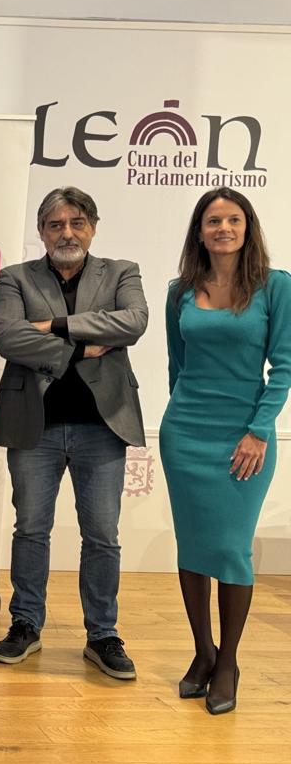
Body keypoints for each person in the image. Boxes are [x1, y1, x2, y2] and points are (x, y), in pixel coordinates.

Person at [0, 186, 148, 679]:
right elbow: (6, 335)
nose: (67, 232)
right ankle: (25, 624)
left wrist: (54, 325)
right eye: (56, 224)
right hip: (33, 425)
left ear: (93, 227)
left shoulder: (122, 271)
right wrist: (81, 346)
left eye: (77, 222)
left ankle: (102, 634)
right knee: (31, 530)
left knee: (102, 535)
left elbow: (134, 321)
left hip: (102, 426)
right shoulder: (15, 277)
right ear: (41, 231)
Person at [160, 188, 291, 715]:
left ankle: (229, 661)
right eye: (213, 220)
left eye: (233, 219)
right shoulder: (180, 291)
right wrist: (177, 422)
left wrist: (259, 430)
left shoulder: (274, 287)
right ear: (200, 230)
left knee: (231, 548)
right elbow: (176, 366)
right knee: (192, 547)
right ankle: (201, 653)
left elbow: (283, 366)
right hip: (185, 433)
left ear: (247, 226)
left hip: (245, 436)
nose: (223, 228)